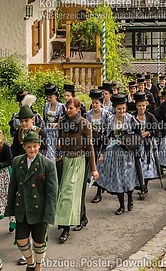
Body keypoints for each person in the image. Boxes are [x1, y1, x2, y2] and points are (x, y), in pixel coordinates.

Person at [5, 130, 58, 271]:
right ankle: (31, 262)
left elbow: (52, 192)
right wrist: (10, 209)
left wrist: (49, 214)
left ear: (39, 146)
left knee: (39, 242)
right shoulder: (17, 162)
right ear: (24, 147)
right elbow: (13, 187)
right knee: (21, 241)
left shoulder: (47, 164)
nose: (32, 149)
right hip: (22, 208)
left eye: (35, 146)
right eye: (29, 146)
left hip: (39, 210)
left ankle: (38, 267)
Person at [56, 98, 99, 243]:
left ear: (78, 109)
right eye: (67, 108)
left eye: (71, 108)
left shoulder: (84, 124)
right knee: (65, 191)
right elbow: (59, 140)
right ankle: (82, 218)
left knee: (70, 193)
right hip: (65, 160)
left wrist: (93, 169)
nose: (68, 110)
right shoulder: (62, 122)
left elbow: (90, 147)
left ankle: (65, 228)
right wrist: (58, 154)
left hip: (79, 161)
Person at [96, 94, 142, 215]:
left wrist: (128, 142)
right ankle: (121, 205)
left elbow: (138, 135)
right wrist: (103, 153)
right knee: (118, 179)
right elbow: (106, 137)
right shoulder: (110, 119)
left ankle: (130, 198)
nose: (121, 111)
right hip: (114, 154)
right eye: (119, 109)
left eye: (123, 108)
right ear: (114, 108)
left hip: (127, 154)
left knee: (128, 178)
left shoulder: (131, 119)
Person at [85, 89, 112, 204]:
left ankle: (99, 192)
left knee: (100, 167)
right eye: (93, 102)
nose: (95, 105)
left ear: (101, 103)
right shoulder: (88, 114)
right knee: (92, 166)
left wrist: (104, 144)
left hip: (102, 144)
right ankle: (96, 187)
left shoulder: (106, 114)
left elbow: (109, 131)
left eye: (97, 102)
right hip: (92, 143)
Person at [133, 92, 159, 199]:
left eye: (143, 105)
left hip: (147, 145)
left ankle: (144, 186)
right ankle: (140, 184)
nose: (141, 108)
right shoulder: (132, 117)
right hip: (136, 145)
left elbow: (157, 129)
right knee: (136, 165)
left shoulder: (150, 116)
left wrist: (148, 133)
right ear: (136, 106)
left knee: (146, 166)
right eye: (139, 105)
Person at [43, 84, 66, 161]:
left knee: (54, 156)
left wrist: (57, 124)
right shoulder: (46, 105)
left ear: (56, 96)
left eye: (50, 97)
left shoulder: (61, 107)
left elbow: (65, 121)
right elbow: (44, 119)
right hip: (47, 133)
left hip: (56, 134)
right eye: (48, 97)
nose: (49, 99)